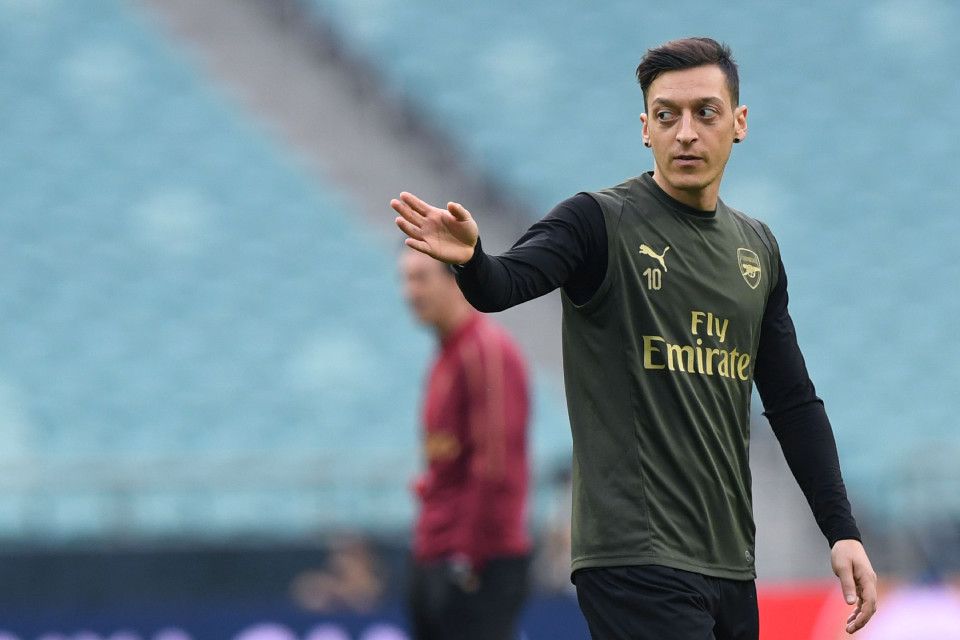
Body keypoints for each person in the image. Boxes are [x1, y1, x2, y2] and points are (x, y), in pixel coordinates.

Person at [392, 37, 878, 640]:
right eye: (667, 115)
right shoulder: (597, 222)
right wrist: (472, 261)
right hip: (634, 558)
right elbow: (504, 284)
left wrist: (841, 530)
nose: (686, 133)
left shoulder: (757, 249)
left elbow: (793, 401)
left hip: (730, 562)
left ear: (739, 122)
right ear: (646, 128)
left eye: (705, 112)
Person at [399, 246, 532, 640]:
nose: (410, 292)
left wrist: (466, 557)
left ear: (455, 282)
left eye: (421, 278)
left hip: (476, 559)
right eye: (405, 279)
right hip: (436, 551)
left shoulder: (484, 351)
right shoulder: (447, 353)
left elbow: (495, 465)